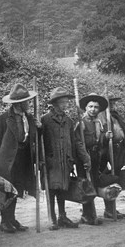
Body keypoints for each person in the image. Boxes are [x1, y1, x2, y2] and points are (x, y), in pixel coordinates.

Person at [0, 84, 39, 233]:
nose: (28, 104)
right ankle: (4, 221)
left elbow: (33, 137)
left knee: (17, 190)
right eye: (26, 102)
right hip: (8, 160)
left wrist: (38, 127)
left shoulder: (29, 118)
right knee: (7, 191)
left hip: (23, 159)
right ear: (19, 104)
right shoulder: (4, 119)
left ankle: (12, 218)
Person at [40, 87, 90, 230]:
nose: (65, 105)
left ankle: (62, 216)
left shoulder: (68, 121)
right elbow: (37, 143)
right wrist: (41, 161)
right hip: (51, 161)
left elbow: (74, 142)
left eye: (66, 102)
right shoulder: (45, 120)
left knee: (63, 189)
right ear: (54, 103)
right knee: (52, 189)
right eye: (62, 102)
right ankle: (52, 218)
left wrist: (84, 157)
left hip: (65, 161)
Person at [74, 93, 111, 225]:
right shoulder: (81, 122)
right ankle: (87, 215)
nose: (93, 109)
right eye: (90, 106)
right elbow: (78, 143)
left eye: (96, 107)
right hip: (84, 158)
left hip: (95, 156)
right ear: (85, 108)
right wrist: (85, 158)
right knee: (86, 186)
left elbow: (99, 142)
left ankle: (90, 214)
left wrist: (105, 137)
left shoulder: (98, 123)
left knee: (93, 184)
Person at [98, 97, 125, 219]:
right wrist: (106, 137)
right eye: (109, 103)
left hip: (118, 152)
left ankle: (113, 209)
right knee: (109, 180)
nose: (111, 106)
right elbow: (99, 136)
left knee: (116, 179)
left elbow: (124, 131)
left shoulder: (116, 116)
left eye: (112, 103)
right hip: (105, 153)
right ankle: (109, 210)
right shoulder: (100, 117)